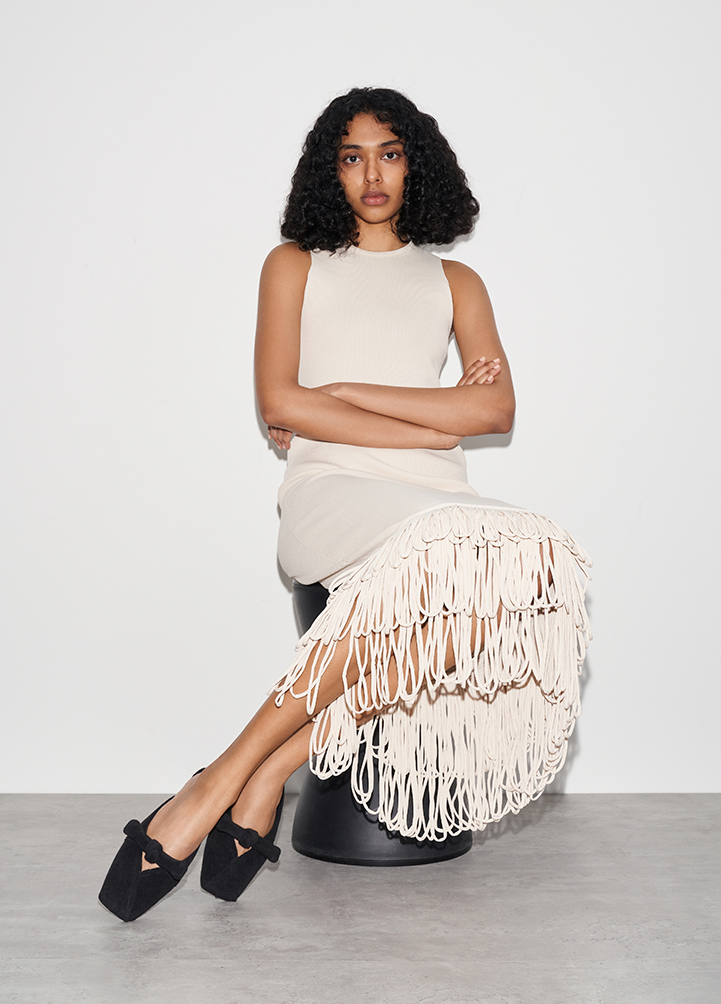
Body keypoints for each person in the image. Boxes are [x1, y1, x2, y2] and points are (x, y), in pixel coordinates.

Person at [99, 87, 591, 922]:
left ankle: (251, 774)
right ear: (330, 172)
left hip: (436, 501)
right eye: (352, 157)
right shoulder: (293, 264)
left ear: (415, 166)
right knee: (460, 553)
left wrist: (342, 393)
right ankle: (226, 784)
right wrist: (434, 417)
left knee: (534, 561)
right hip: (331, 489)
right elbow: (280, 403)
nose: (372, 174)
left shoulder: (456, 281)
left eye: (389, 154)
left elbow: (495, 412)